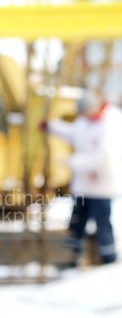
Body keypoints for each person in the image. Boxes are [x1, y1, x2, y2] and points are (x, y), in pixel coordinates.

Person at [45, 90, 122, 265]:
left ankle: (108, 258)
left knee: (102, 221)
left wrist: (73, 162)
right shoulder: (85, 120)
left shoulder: (112, 122)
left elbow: (103, 157)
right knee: (77, 221)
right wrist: (51, 126)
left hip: (102, 184)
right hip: (83, 184)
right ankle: (73, 256)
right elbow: (74, 133)